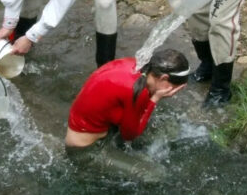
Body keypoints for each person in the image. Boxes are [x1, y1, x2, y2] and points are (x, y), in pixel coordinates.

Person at [65, 49, 188, 181]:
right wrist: (154, 100)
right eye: (174, 88)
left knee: (166, 127)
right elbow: (129, 135)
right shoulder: (137, 91)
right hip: (86, 152)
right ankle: (89, 176)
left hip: (100, 130)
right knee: (155, 174)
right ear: (164, 78)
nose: (173, 93)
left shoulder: (137, 66)